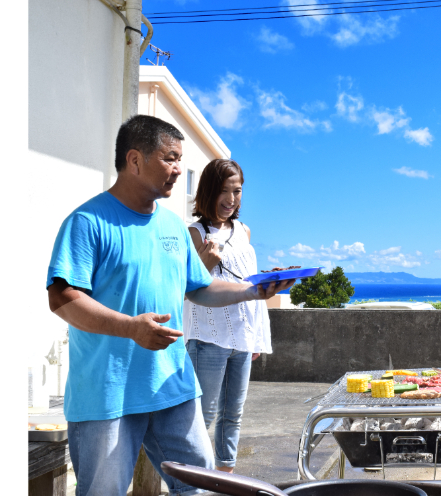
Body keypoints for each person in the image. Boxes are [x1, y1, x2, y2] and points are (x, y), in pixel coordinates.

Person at [45, 115, 294, 496]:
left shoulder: (174, 228)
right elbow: (62, 298)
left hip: (173, 386)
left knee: (203, 488)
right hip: (108, 395)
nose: (179, 170)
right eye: (171, 158)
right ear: (134, 160)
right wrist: (131, 328)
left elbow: (201, 289)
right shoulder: (87, 222)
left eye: (180, 160)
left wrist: (252, 291)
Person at [183, 159, 271, 474]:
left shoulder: (243, 230)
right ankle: (192, 480)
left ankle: (225, 477)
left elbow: (248, 280)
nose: (231, 199)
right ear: (208, 191)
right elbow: (183, 289)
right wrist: (204, 263)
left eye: (237, 191)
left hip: (243, 335)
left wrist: (257, 332)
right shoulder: (194, 233)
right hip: (209, 336)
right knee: (201, 417)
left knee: (233, 415)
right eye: (224, 191)